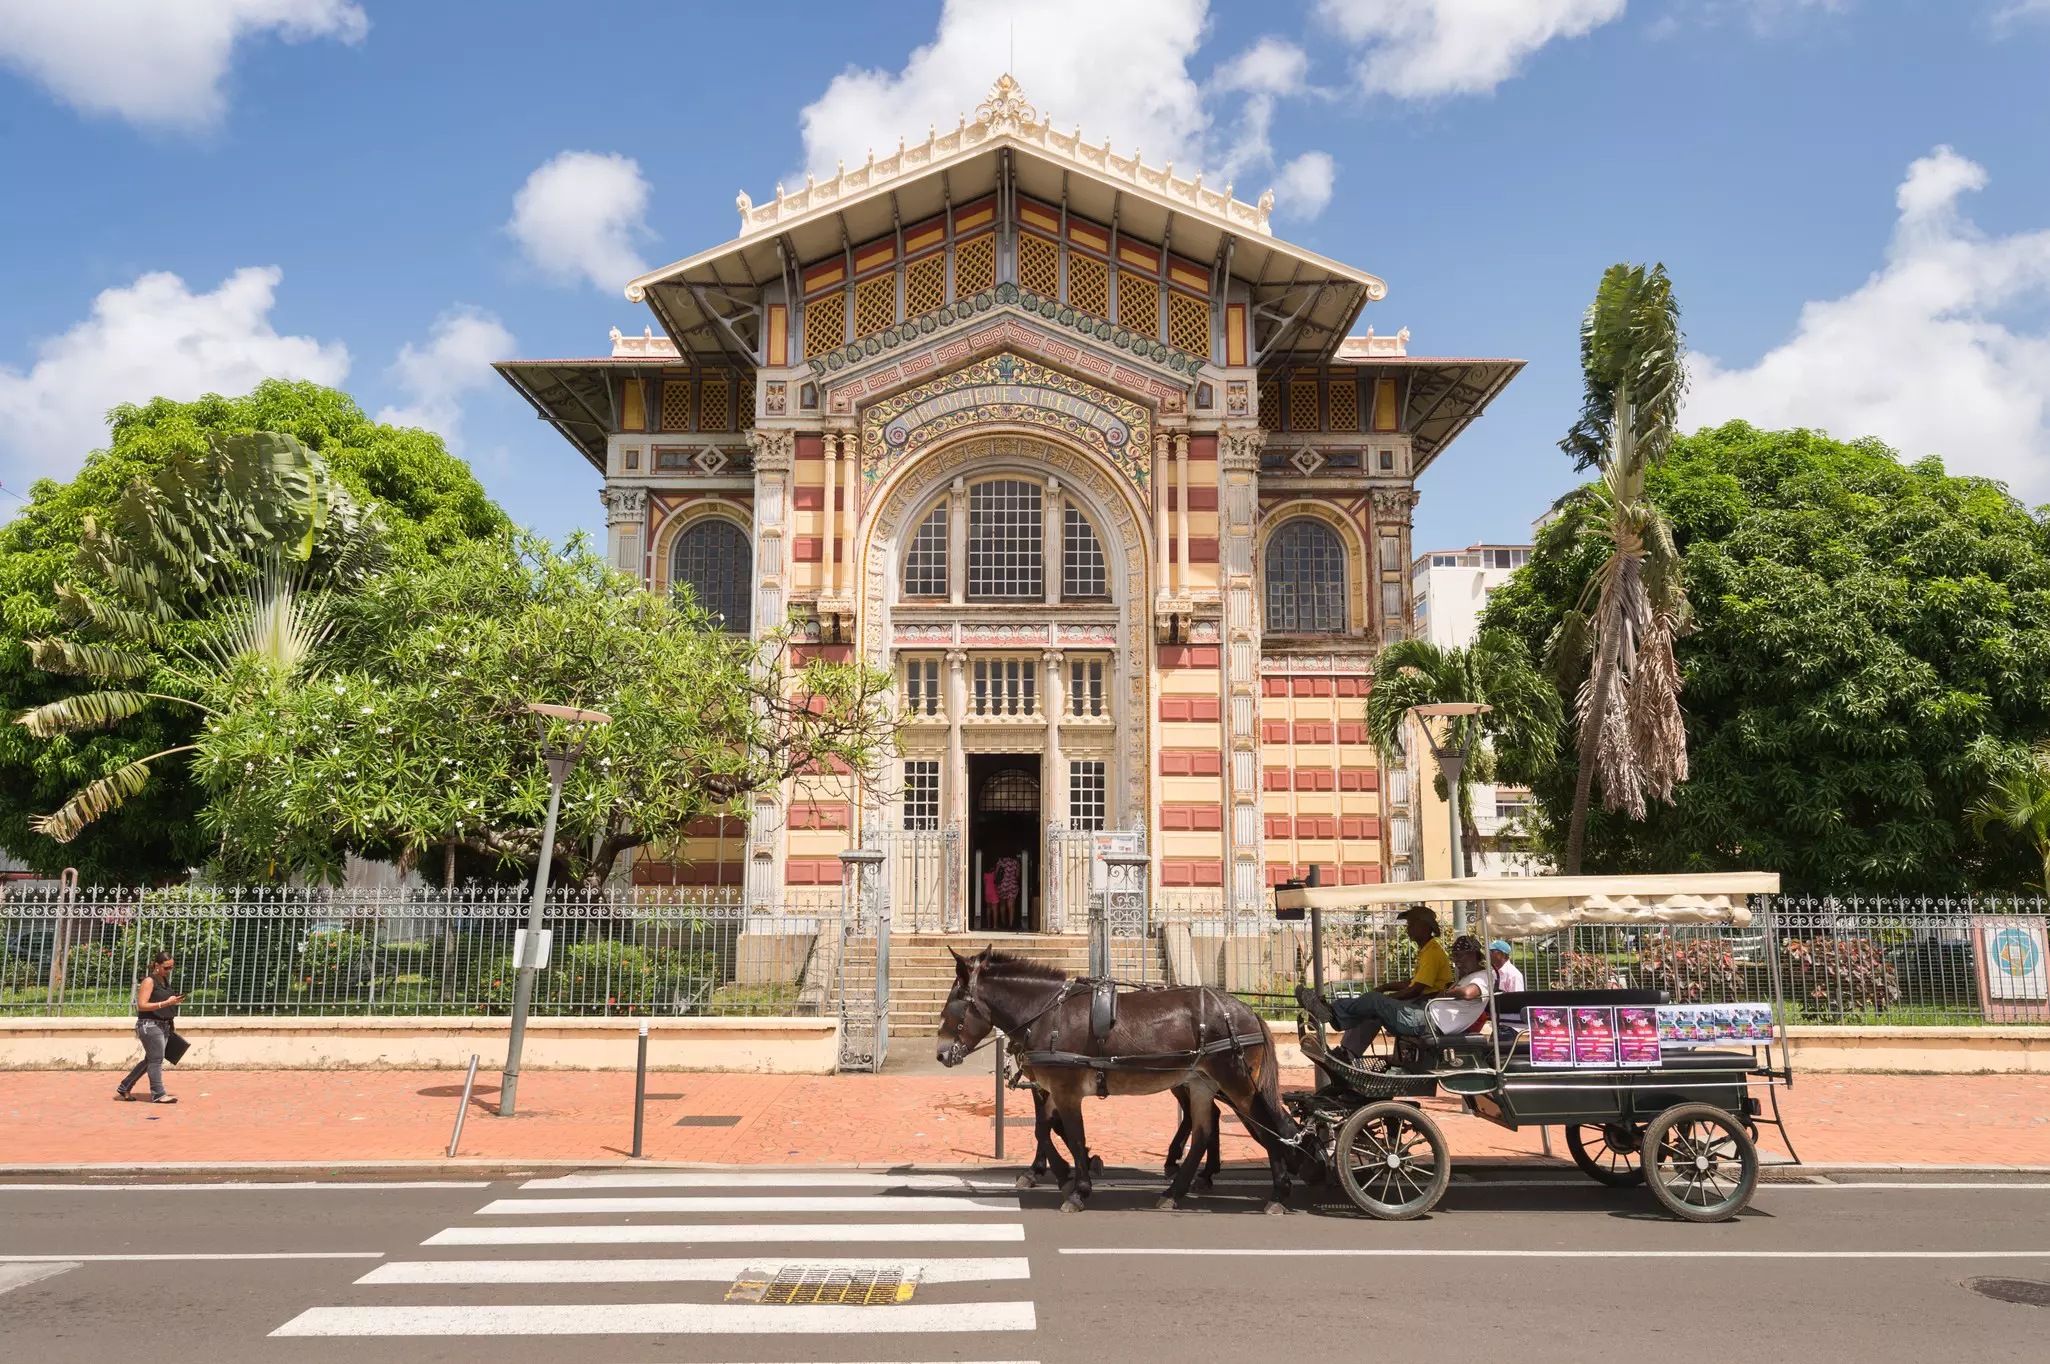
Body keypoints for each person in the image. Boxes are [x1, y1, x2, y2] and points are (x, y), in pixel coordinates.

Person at [1299, 933, 1493, 1064]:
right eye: (1455, 957)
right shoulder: (1465, 976)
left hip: (1428, 1022)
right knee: (1372, 1012)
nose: (1457, 961)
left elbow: (1469, 993)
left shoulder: (1485, 976)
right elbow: (1414, 983)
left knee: (1375, 1000)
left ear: (1474, 955)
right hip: (1423, 1014)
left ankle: (1331, 1012)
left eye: (1461, 957)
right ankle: (1346, 1053)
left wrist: (1446, 993)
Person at [115, 949, 182, 1104]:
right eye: (166, 967)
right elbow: (142, 1005)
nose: (169, 971)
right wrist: (166, 1003)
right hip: (149, 1025)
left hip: (164, 1025)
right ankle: (158, 1094)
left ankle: (125, 1086)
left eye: (171, 967)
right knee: (156, 1060)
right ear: (156, 965)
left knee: (150, 1060)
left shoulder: (164, 981)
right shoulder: (149, 981)